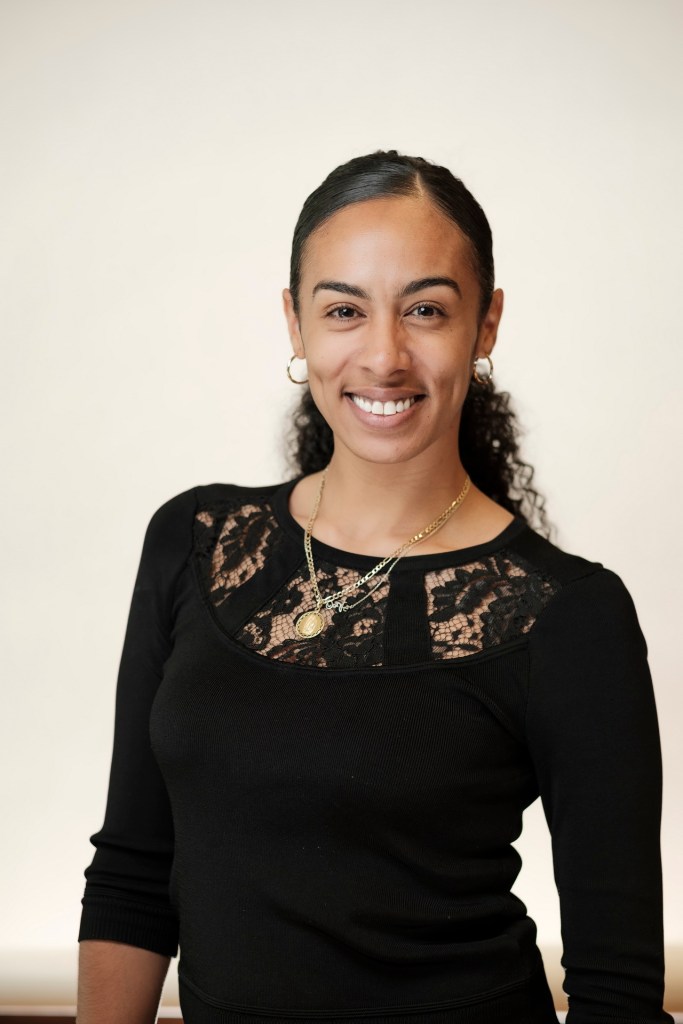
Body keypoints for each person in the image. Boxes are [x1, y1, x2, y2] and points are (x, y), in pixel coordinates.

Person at [77, 151, 673, 1024]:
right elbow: (133, 868)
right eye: (344, 310)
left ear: (487, 324)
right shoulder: (193, 541)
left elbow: (615, 988)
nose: (384, 355)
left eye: (426, 310)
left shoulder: (568, 614)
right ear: (295, 323)